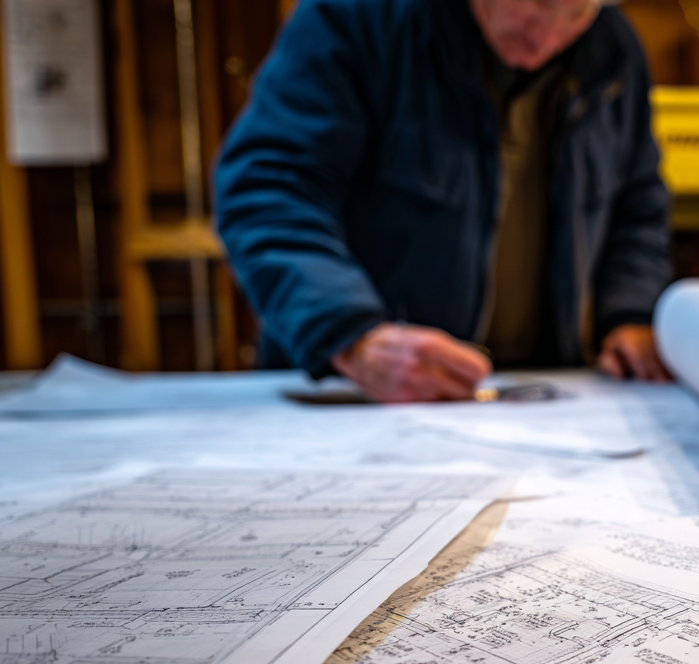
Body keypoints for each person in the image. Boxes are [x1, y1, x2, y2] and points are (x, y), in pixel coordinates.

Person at [214, 0, 673, 402]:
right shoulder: (358, 18)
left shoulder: (613, 51)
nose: (548, 33)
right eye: (533, 3)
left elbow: (637, 209)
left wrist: (629, 312)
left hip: (538, 397)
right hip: (358, 396)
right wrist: (349, 334)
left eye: (576, 11)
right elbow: (269, 188)